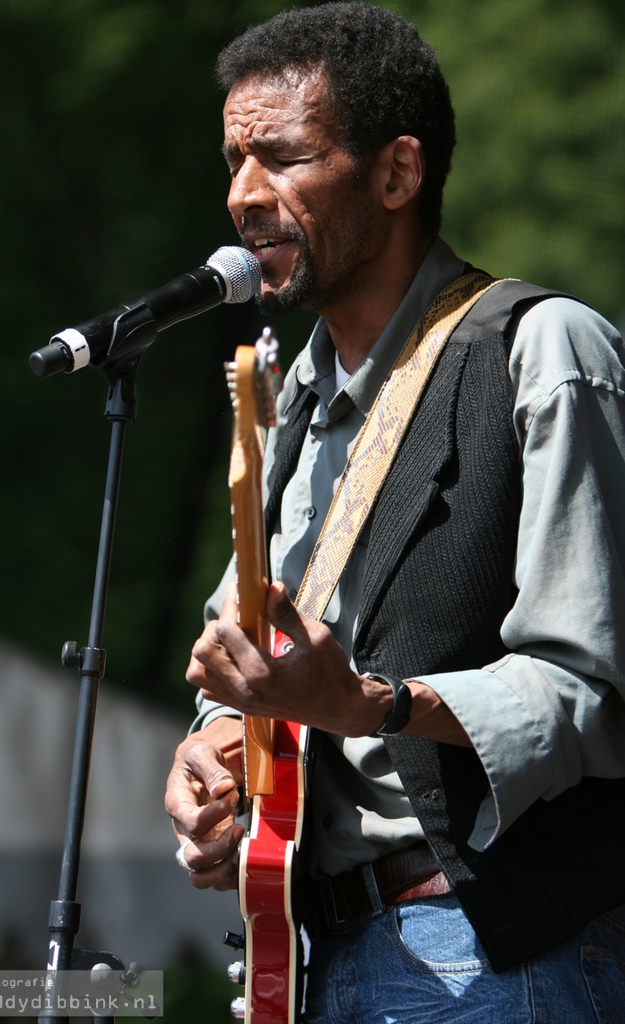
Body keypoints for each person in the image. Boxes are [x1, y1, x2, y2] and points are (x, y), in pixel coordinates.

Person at [164, 3, 625, 1020]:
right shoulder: (284, 406)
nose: (244, 195)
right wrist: (212, 752)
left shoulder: (543, 349)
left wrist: (371, 703)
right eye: (235, 161)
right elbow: (238, 658)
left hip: (486, 954)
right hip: (312, 953)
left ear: (396, 173)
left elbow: (591, 691)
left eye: (281, 156)